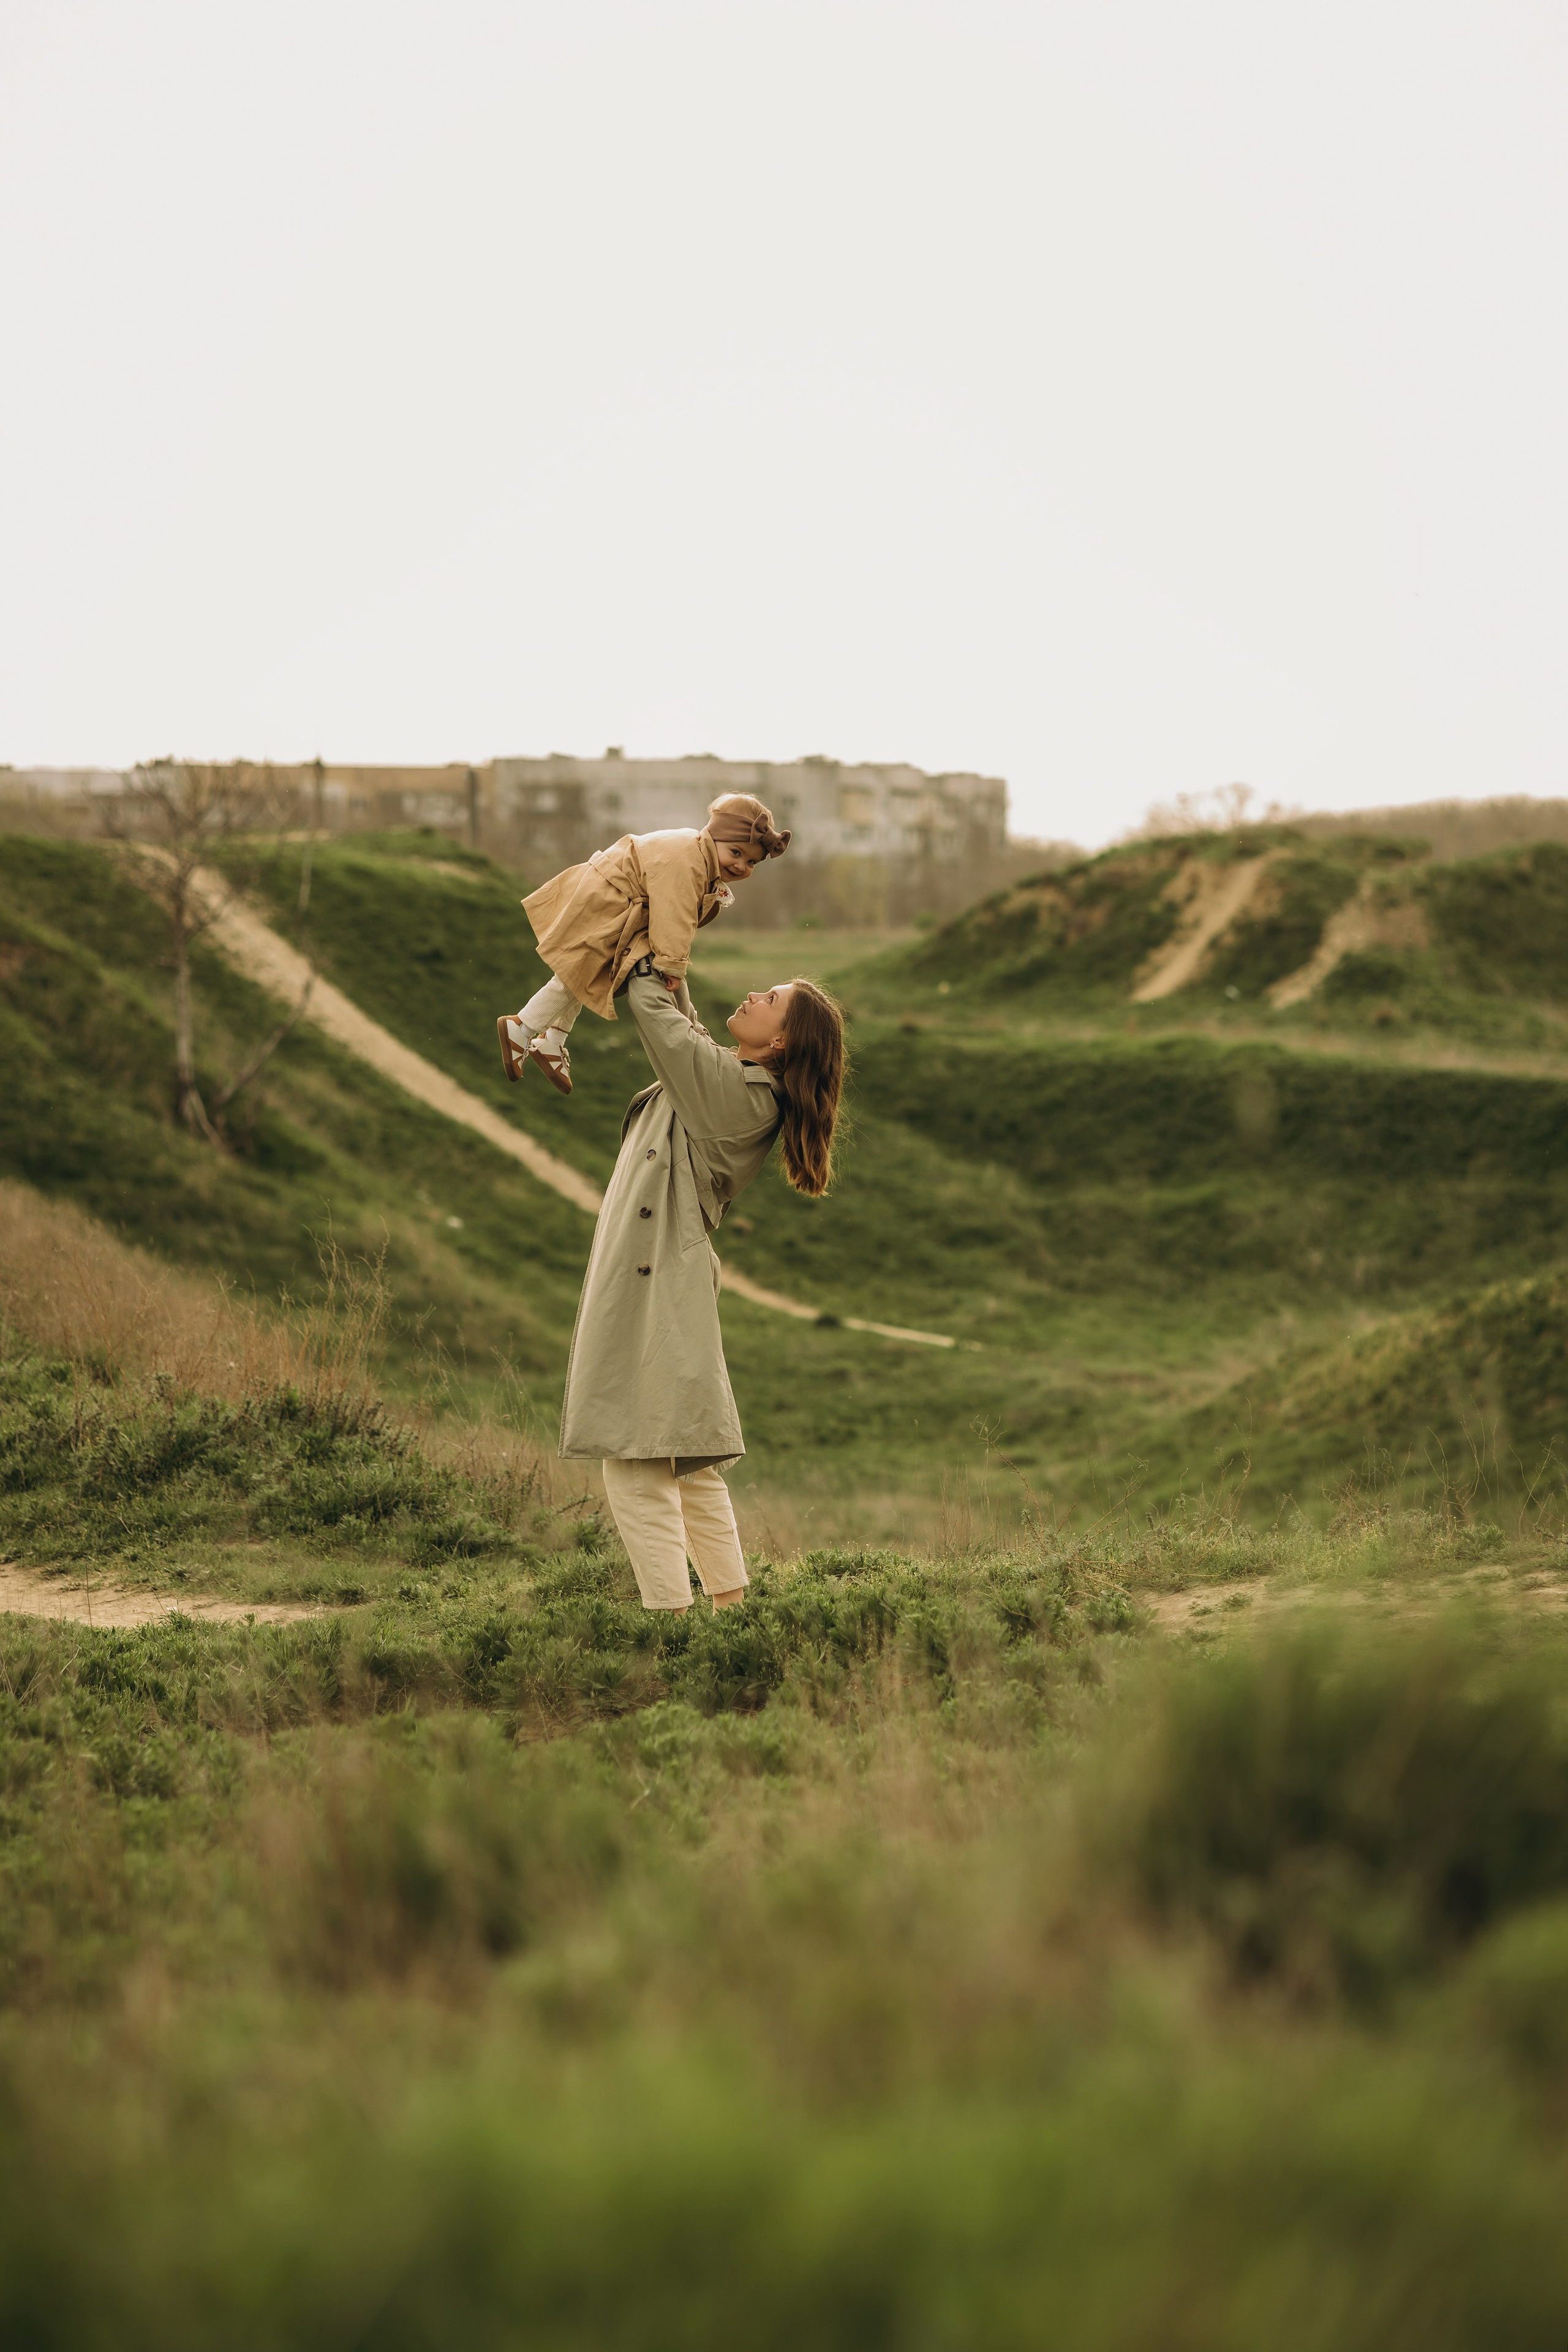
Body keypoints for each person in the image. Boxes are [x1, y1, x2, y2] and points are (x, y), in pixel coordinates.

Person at [558, 964, 843, 1611]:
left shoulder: (739, 1096)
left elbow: (659, 1020)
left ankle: (668, 1623)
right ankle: (731, 1610)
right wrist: (670, 964)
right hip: (662, 1271)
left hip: (654, 1276)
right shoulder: (737, 1082)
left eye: (771, 999)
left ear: (781, 1043)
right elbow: (686, 1028)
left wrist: (650, 958)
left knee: (635, 1456)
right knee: (686, 1459)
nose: (754, 995)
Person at [496, 793, 791, 1096]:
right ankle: (523, 1027)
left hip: (619, 900)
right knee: (576, 973)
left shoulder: (700, 856)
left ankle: (553, 1040)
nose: (741, 865)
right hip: (608, 898)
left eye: (751, 861)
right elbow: (674, 915)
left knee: (586, 975)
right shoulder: (688, 860)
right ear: (714, 836)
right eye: (736, 852)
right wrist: (672, 964)